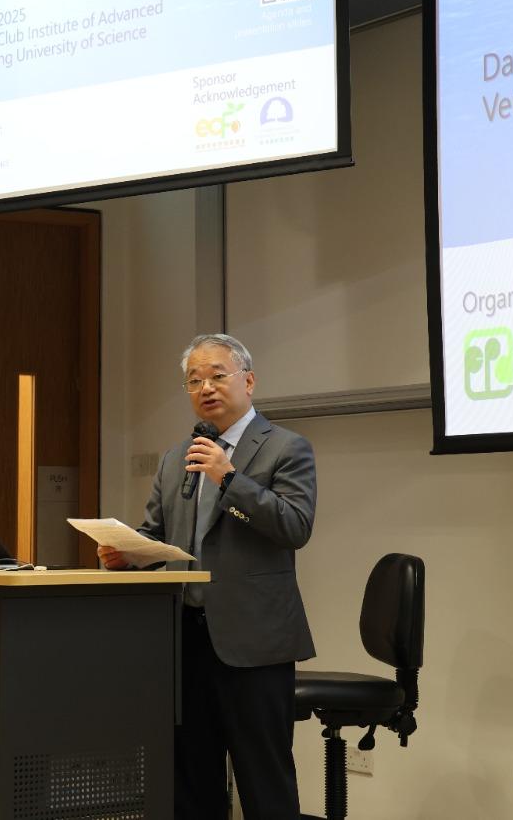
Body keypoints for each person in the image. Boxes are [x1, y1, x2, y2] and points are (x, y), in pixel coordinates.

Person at [98, 333, 315, 820]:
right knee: (192, 781)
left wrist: (230, 479)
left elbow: (295, 527)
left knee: (265, 782)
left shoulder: (286, 447)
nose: (206, 388)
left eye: (218, 375)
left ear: (248, 381)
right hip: (185, 639)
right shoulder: (178, 457)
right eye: (194, 381)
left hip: (254, 643)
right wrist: (127, 553)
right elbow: (156, 535)